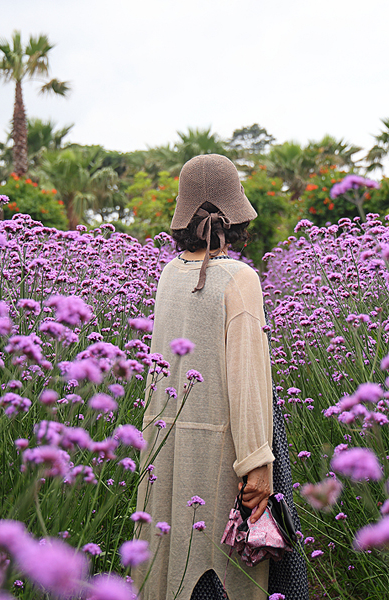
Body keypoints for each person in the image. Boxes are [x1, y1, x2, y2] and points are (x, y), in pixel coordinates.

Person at [134, 154, 274, 600]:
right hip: (226, 450)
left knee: (171, 567)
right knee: (229, 576)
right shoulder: (240, 278)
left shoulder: (168, 276)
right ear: (236, 213)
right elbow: (247, 376)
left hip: (167, 449)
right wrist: (256, 462)